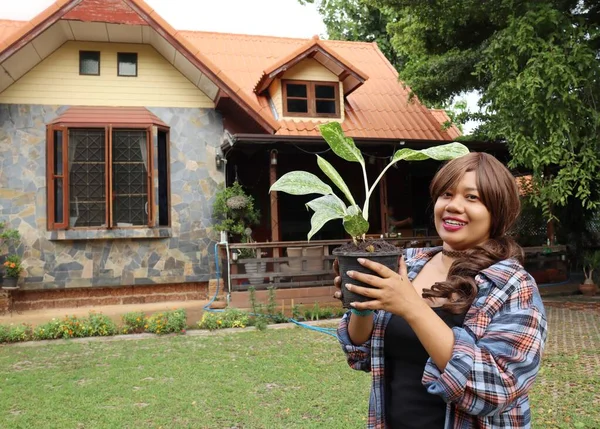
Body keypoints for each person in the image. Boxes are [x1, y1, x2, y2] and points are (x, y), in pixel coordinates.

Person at [334, 152, 548, 429]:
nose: (453, 206)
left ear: (497, 211)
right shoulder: (406, 264)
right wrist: (361, 303)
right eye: (446, 194)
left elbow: (499, 389)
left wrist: (412, 308)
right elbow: (361, 353)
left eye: (472, 197)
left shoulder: (513, 285)